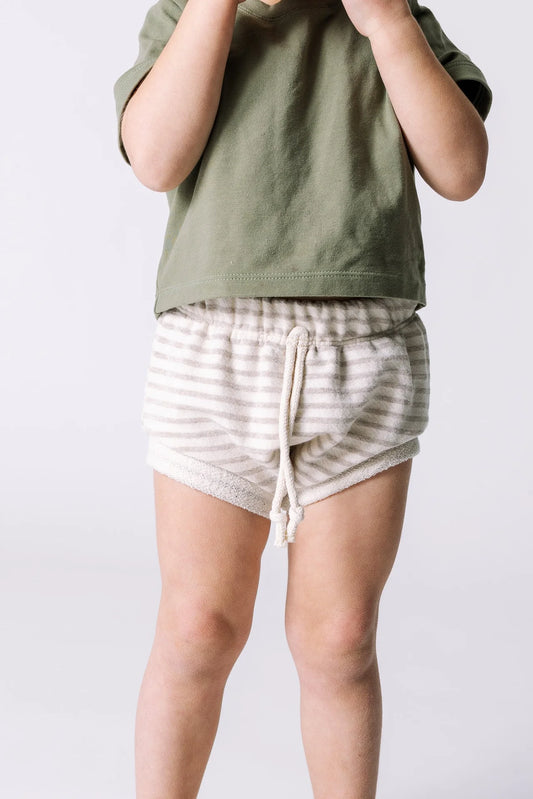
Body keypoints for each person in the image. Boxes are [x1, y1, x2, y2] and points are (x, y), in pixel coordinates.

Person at [112, 0, 492, 796]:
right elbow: (153, 158)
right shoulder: (190, 11)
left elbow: (460, 169)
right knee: (196, 626)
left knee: (341, 638)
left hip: (364, 357)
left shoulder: (394, 14)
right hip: (213, 350)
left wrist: (387, 25)